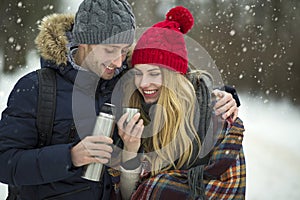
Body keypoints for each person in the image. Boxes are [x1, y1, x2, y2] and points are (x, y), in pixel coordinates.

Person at [0, 1, 239, 200]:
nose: (118, 61)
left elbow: (171, 77)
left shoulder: (125, 77)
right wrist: (70, 156)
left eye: (124, 50)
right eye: (110, 49)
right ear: (84, 41)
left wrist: (218, 94)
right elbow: (5, 162)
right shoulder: (37, 88)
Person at [108, 6, 246, 200]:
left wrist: (161, 187)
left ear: (175, 77)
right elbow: (128, 196)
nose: (143, 83)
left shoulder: (215, 117)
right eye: (138, 73)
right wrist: (130, 150)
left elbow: (229, 190)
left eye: (154, 73)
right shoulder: (135, 113)